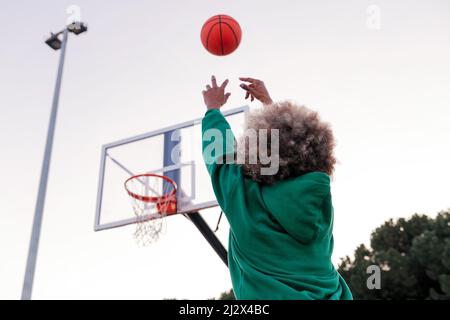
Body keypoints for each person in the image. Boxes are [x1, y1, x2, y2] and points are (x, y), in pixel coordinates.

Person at [201, 75, 352, 300]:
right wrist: (270, 105)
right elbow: (291, 141)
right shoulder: (320, 204)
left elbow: (220, 159)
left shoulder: (245, 199)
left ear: (258, 151)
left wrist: (213, 109)